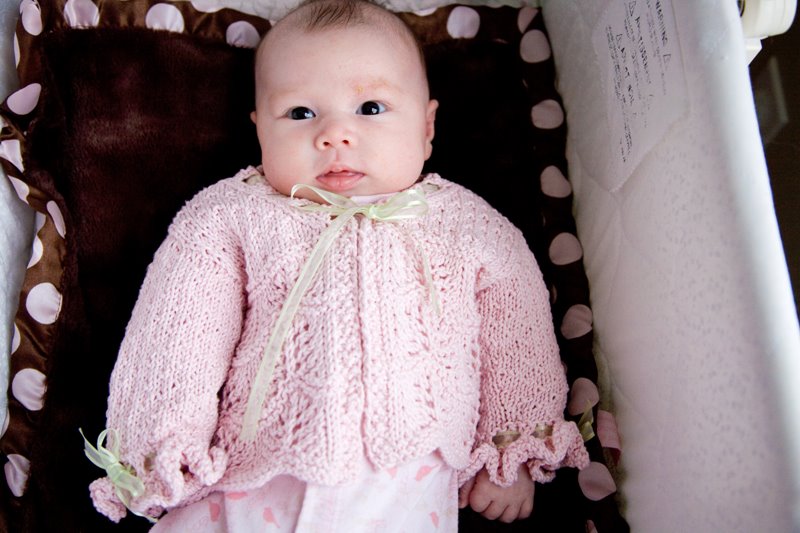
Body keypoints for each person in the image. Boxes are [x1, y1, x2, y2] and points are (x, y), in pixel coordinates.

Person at [82, 0, 589, 530]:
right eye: (301, 113)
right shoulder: (231, 215)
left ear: (426, 127)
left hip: (404, 487)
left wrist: (511, 444)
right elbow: (177, 330)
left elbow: (517, 335)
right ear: (261, 132)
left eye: (370, 108)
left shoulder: (468, 225)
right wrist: (161, 446)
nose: (335, 135)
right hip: (249, 480)